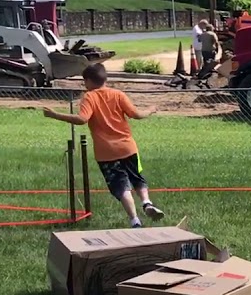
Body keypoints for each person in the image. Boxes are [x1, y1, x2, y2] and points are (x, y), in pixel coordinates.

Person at [42, 63, 164, 228]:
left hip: (106, 153)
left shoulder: (89, 97)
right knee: (137, 177)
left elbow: (82, 119)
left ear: (89, 81)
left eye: (85, 81)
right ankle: (146, 202)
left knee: (121, 186)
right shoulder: (118, 94)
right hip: (128, 148)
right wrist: (150, 109)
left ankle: (135, 220)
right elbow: (136, 114)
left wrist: (55, 115)